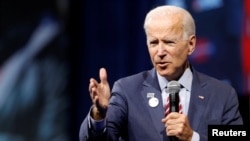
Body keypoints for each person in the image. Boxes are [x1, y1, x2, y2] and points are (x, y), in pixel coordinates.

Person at [79, 5, 243, 141]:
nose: (160, 52)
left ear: (191, 44)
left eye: (169, 42)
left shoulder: (222, 94)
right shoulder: (127, 90)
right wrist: (99, 114)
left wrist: (193, 137)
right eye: (154, 43)